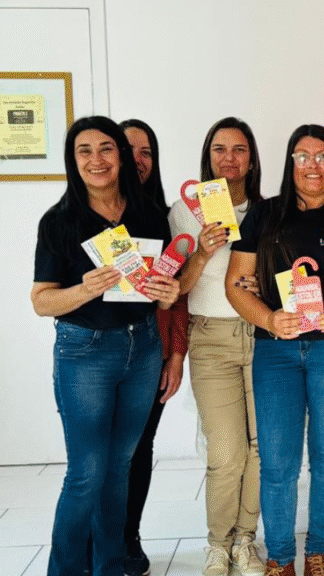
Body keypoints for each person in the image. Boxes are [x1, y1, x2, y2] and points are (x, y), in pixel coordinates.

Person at [226, 124, 324, 576]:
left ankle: (318, 553)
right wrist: (269, 318)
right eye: (302, 156)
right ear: (289, 163)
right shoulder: (264, 216)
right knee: (277, 462)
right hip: (276, 354)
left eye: (323, 155)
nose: (312, 165)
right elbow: (236, 285)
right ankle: (279, 558)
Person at [31, 116, 180, 576]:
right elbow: (41, 301)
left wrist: (169, 292)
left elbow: (164, 284)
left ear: (120, 155)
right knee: (86, 475)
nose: (96, 159)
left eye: (106, 149)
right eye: (84, 151)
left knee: (119, 469)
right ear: (72, 161)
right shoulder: (59, 222)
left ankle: (111, 566)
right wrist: (85, 289)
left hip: (143, 348)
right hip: (86, 354)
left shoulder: (149, 216)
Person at [170, 117, 266, 576]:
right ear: (208, 157)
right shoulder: (186, 211)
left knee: (261, 448)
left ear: (251, 158)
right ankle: (217, 543)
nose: (229, 158)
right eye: (219, 149)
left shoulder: (268, 210)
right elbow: (176, 288)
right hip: (210, 337)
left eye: (239, 149)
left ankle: (246, 540)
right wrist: (204, 251)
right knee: (226, 451)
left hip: (263, 337)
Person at [117, 118, 190, 576]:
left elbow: (177, 294)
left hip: (153, 352)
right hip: (98, 356)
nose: (138, 160)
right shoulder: (86, 218)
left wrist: (176, 354)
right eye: (130, 150)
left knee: (139, 448)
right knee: (101, 456)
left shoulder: (163, 221)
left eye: (147, 152)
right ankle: (97, 540)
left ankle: (128, 538)